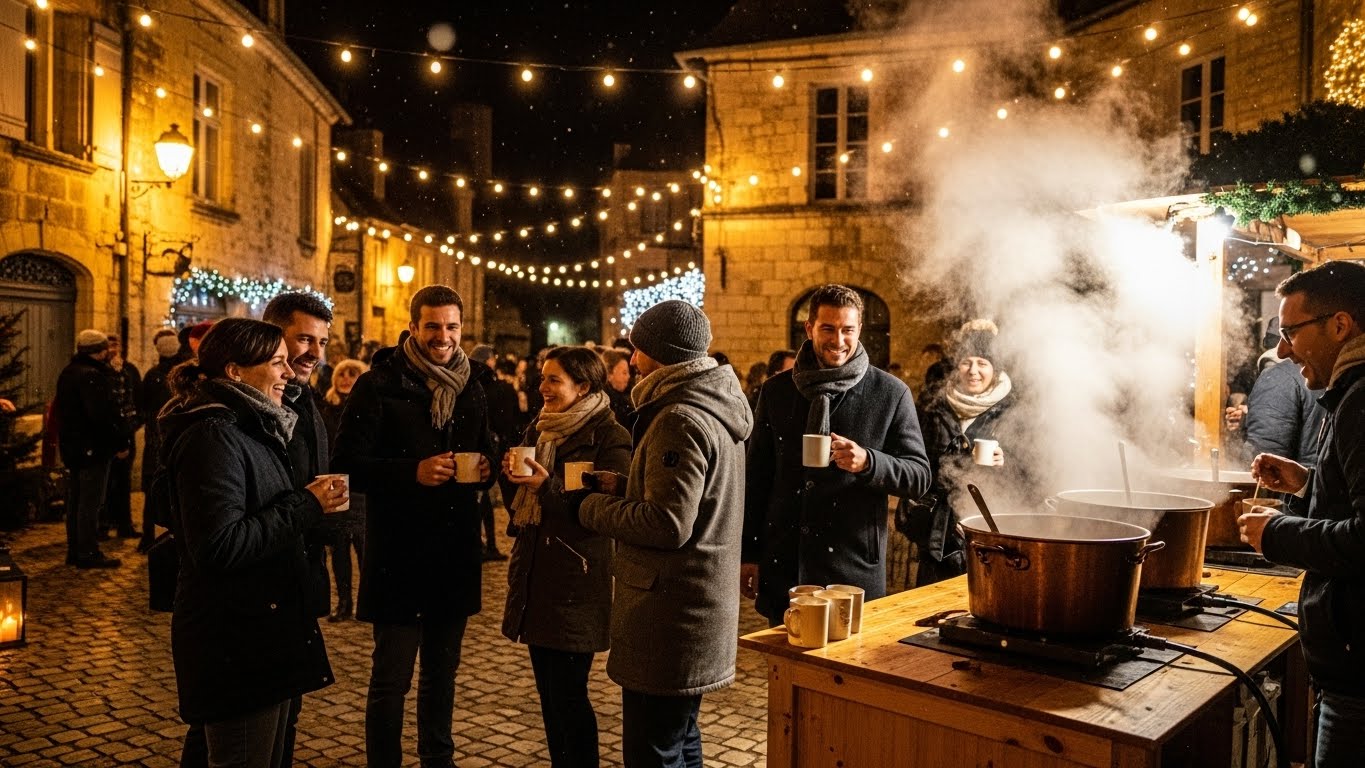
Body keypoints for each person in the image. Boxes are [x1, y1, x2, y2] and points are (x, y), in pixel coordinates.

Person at [158, 318, 345, 768]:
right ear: (236, 371)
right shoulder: (213, 435)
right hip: (237, 640)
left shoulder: (255, 425)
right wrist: (306, 505)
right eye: (277, 362)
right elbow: (219, 545)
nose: (287, 373)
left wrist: (319, 516)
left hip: (266, 629)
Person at [577, 300, 752, 768]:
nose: (631, 361)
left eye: (637, 350)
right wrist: (626, 486)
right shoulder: (713, 403)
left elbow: (668, 524)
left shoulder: (680, 418)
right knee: (680, 737)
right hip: (693, 607)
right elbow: (692, 499)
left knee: (654, 749)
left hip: (670, 614)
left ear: (661, 353)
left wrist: (591, 506)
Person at [332, 284, 497, 768]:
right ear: (413, 327)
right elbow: (346, 462)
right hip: (399, 552)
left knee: (442, 674)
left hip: (454, 551)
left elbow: (483, 443)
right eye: (432, 326)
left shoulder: (472, 383)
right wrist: (412, 472)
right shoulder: (378, 384)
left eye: (451, 327)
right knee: (391, 677)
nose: (442, 337)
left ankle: (436, 759)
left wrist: (485, 467)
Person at [741, 285, 932, 625]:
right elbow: (757, 478)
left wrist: (869, 462)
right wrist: (750, 553)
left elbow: (919, 476)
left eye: (848, 330)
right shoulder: (776, 391)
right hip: (787, 563)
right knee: (786, 667)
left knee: (849, 670)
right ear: (809, 328)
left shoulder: (890, 393)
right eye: (828, 328)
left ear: (859, 330)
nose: (838, 340)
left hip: (852, 564)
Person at [1239, 260, 1365, 767]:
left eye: (1292, 332)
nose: (1285, 350)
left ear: (1340, 325)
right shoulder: (1349, 393)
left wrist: (1278, 534)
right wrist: (1307, 483)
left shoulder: (1360, 400)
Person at [500, 346, 631, 768]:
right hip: (536, 577)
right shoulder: (539, 431)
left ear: (584, 387)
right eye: (542, 378)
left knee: (569, 696)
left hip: (578, 580)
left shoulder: (610, 437)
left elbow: (604, 514)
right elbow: (519, 511)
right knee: (550, 698)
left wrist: (547, 488)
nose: (543, 388)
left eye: (553, 380)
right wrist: (512, 480)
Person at [262, 291, 337, 764]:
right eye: (303, 339)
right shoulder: (245, 409)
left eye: (322, 341)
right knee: (247, 719)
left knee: (286, 713)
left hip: (298, 568)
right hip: (262, 574)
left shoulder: (304, 398)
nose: (313, 352)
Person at [899, 319, 1018, 586]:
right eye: (966, 362)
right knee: (929, 614)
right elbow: (915, 461)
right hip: (936, 535)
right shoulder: (932, 405)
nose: (973, 371)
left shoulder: (1012, 413)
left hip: (988, 533)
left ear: (995, 370)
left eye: (983, 363)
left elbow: (1031, 475)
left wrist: (1006, 464)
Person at [54, 329, 130, 568]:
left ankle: (75, 550)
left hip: (74, 448)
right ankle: (87, 552)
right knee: (89, 502)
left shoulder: (69, 371)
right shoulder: (92, 376)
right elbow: (101, 416)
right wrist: (119, 442)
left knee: (76, 500)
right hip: (92, 449)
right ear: (99, 351)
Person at [319, 358, 370, 621]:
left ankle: (366, 603)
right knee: (339, 548)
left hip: (361, 486)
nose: (346, 379)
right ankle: (344, 603)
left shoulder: (369, 408)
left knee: (363, 547)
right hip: (335, 483)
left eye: (352, 374)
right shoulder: (326, 408)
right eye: (342, 374)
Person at [137, 328, 185, 553]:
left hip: (156, 440)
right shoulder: (184, 375)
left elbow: (142, 405)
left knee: (153, 491)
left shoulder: (153, 375)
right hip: (177, 439)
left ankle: (149, 539)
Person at [473, 344, 513, 561]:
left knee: (482, 498)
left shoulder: (472, 383)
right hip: (487, 444)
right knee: (483, 497)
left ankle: (483, 543)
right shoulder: (491, 386)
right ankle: (486, 544)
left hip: (482, 446)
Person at [102, 333, 143, 539]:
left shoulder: (130, 370)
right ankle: (103, 524)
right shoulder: (100, 371)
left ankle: (124, 524)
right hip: (107, 437)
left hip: (127, 434)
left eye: (115, 344)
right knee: (106, 483)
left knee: (123, 482)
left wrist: (134, 424)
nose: (112, 348)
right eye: (108, 344)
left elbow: (139, 399)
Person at [600, 348, 634, 427]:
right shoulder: (604, 405)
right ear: (609, 374)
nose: (628, 376)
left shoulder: (624, 398)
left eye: (628, 372)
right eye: (624, 373)